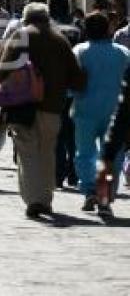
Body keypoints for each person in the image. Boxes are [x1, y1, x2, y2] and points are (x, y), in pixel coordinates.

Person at [0, 3, 85, 218]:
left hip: (21, 106)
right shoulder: (60, 40)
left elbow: (2, 70)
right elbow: (77, 78)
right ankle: (45, 199)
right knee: (47, 153)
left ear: (26, 18)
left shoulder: (20, 36)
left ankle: (34, 199)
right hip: (52, 107)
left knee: (27, 154)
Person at [71, 13, 129, 216]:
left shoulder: (79, 51)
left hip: (85, 110)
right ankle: (104, 197)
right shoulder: (123, 53)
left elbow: (71, 83)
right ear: (108, 30)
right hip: (116, 112)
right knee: (111, 156)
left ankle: (89, 191)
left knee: (85, 154)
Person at [49, 0, 83, 189]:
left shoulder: (48, 28)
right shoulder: (77, 28)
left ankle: (58, 173)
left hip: (53, 87)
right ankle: (73, 172)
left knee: (57, 134)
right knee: (73, 134)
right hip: (74, 87)